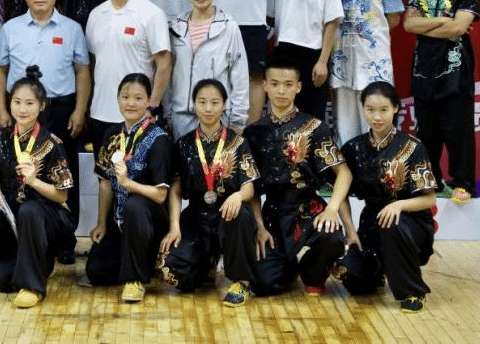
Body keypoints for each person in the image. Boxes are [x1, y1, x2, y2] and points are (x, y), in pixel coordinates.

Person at [244, 56, 354, 297]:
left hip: (309, 207)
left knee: (332, 237)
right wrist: (259, 226)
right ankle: (287, 267)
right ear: (265, 85)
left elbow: (344, 172)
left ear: (299, 87)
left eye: (288, 84)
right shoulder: (253, 133)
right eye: (275, 84)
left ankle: (312, 273)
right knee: (264, 285)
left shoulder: (315, 127)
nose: (281, 91)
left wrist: (332, 209)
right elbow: (249, 187)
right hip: (273, 214)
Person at [0, 0, 90, 226]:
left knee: (64, 169)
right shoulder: (10, 28)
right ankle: (20, 227)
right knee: (18, 168)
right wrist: (1, 110)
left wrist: (79, 110)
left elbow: (82, 71)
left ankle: (66, 231)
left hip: (60, 111)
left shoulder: (72, 29)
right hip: (21, 112)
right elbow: (0, 70)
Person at [336, 81, 438, 313]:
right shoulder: (353, 148)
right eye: (370, 110)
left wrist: (399, 205)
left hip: (410, 223)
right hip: (372, 224)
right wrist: (350, 230)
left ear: (395, 108)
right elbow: (340, 194)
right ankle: (380, 270)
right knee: (355, 281)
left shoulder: (413, 147)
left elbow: (430, 199)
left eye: (383, 110)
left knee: (393, 222)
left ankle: (413, 291)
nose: (377, 117)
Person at [158, 79, 260, 306]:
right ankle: (207, 263)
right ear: (194, 104)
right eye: (202, 102)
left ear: (224, 105)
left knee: (240, 214)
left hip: (227, 215)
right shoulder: (184, 145)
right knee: (171, 270)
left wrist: (238, 196)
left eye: (215, 102)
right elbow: (176, 189)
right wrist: (174, 226)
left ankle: (240, 281)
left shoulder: (238, 143)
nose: (208, 108)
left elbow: (249, 186)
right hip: (197, 217)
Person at [0, 68, 76, 308]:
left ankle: (33, 286)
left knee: (30, 209)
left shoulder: (52, 143)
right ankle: (38, 265)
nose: (22, 109)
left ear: (42, 106)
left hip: (48, 217)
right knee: (2, 280)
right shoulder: (1, 138)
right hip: (15, 219)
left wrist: (34, 181)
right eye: (17, 102)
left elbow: (62, 195)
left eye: (30, 103)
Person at [403, 0, 480, 203]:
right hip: (423, 70)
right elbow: (408, 24)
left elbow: (459, 28)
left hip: (455, 72)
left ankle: (463, 183)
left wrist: (428, 26)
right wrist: (444, 22)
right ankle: (429, 181)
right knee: (426, 132)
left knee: (458, 131)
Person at [84, 74, 171, 303]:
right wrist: (102, 223)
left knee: (135, 204)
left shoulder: (159, 138)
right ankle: (141, 262)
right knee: (96, 271)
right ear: (117, 99)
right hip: (119, 221)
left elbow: (160, 195)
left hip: (148, 221)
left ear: (149, 101)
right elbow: (105, 182)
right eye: (125, 97)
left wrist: (128, 184)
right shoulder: (112, 134)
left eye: (138, 98)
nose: (131, 103)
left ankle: (135, 279)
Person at [85, 0, 171, 154]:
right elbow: (93, 62)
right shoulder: (95, 15)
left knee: (137, 173)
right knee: (103, 172)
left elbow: (164, 65)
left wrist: (152, 106)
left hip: (138, 115)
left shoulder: (151, 14)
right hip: (100, 114)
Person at [328, 0, 404, 145]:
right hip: (342, 55)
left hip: (373, 55)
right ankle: (347, 164)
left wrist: (370, 27)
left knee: (376, 113)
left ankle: (380, 162)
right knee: (344, 120)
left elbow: (393, 18)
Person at [267, 0, 344, 120]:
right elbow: (270, 18)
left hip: (312, 55)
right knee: (281, 109)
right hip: (283, 52)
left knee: (311, 114)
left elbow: (332, 24)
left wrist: (322, 62)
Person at [167, 0, 249, 140]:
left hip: (219, 116)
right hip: (182, 116)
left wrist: (238, 119)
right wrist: (169, 113)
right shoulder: (175, 27)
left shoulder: (229, 27)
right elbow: (168, 74)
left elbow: (239, 75)